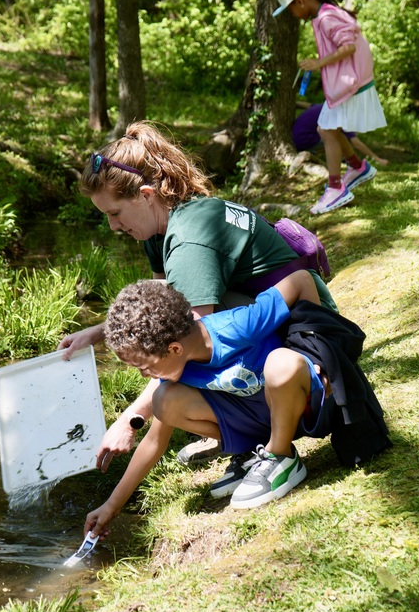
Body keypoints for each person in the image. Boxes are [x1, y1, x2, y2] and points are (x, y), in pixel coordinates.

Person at [58, 122, 338, 483]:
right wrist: (96, 333)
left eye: (114, 213)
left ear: (145, 194)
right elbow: (158, 306)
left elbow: (179, 341)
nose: (113, 226)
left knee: (192, 346)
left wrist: (130, 421)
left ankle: (262, 442)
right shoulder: (160, 226)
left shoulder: (190, 239)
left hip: (308, 334)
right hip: (272, 314)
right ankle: (245, 431)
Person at [84, 271, 328, 537]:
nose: (144, 375)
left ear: (175, 349)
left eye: (145, 367)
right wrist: (111, 505)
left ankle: (281, 456)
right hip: (262, 419)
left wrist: (317, 350)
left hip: (301, 404)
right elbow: (154, 441)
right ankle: (253, 450)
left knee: (281, 362)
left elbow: (302, 280)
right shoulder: (179, 369)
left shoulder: (237, 326)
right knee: (163, 401)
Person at [273, 0, 387, 215]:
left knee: (325, 128)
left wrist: (319, 63)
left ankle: (336, 188)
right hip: (350, 82)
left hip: (351, 83)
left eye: (290, 9)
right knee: (328, 128)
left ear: (300, 1)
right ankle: (357, 167)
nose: (293, 15)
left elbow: (349, 46)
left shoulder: (325, 16)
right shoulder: (324, 14)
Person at [293, 102, 390, 166]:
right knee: (339, 139)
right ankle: (350, 163)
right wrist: (378, 160)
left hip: (295, 137)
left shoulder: (328, 107)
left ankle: (343, 159)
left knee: (334, 136)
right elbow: (357, 144)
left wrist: (295, 103)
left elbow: (309, 105)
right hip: (304, 140)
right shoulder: (343, 117)